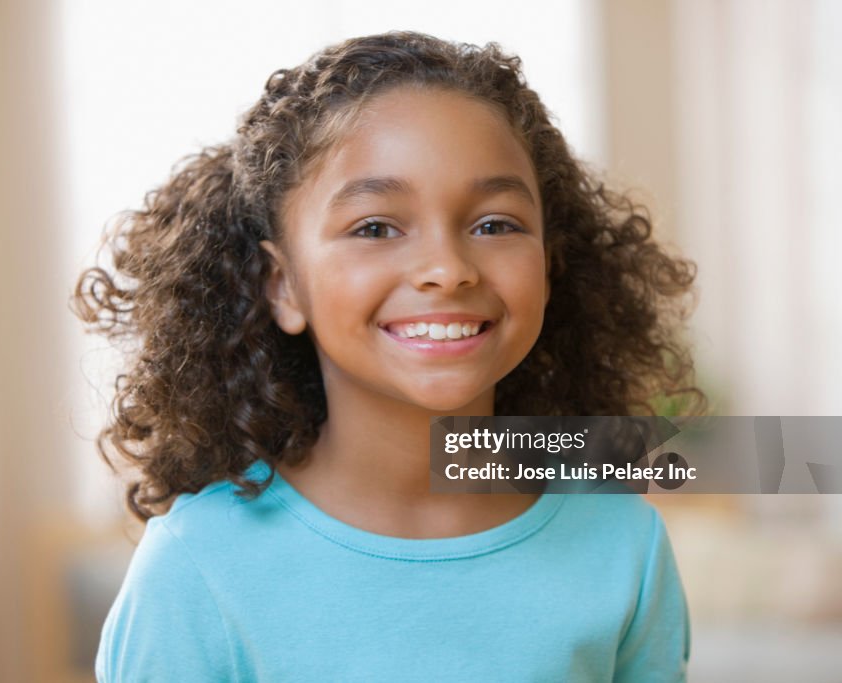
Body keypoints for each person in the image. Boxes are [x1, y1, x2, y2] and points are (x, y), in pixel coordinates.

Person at [75, 30, 705, 682]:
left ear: (549, 265)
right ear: (283, 285)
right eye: (375, 227)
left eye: (494, 224)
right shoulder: (196, 567)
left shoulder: (623, 545)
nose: (447, 268)